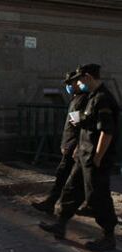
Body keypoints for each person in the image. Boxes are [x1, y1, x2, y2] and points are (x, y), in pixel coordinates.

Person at [39, 64, 119, 252]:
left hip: (95, 158)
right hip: (83, 155)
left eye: (81, 79)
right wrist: (78, 150)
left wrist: (98, 157)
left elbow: (106, 132)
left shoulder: (103, 99)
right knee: (70, 190)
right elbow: (86, 125)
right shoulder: (91, 97)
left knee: (98, 197)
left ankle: (108, 237)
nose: (79, 82)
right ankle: (60, 224)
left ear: (89, 77)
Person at [32, 71, 88, 215]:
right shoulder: (75, 99)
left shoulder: (81, 99)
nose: (68, 86)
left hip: (74, 146)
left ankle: (58, 208)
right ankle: (52, 204)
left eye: (71, 83)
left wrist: (74, 145)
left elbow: (79, 126)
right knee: (65, 177)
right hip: (70, 144)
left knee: (67, 178)